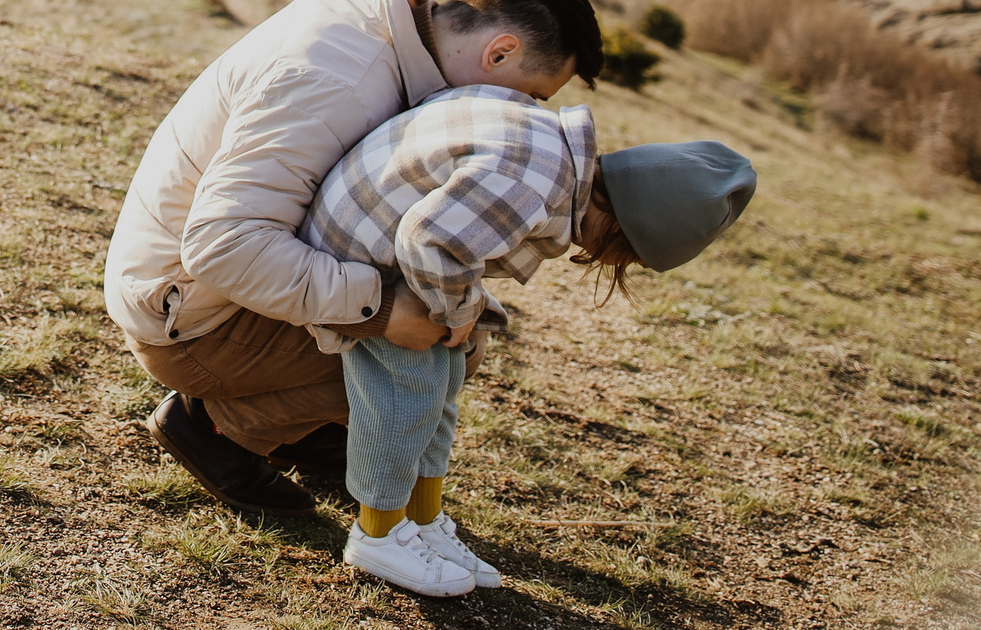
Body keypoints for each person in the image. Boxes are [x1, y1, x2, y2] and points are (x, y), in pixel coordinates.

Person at [103, 0, 604, 514]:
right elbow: (223, 244)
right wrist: (382, 311)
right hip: (189, 316)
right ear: (501, 52)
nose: (523, 113)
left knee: (452, 319)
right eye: (530, 95)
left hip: (195, 285)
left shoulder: (383, 23)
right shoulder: (338, 82)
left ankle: (302, 426)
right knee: (445, 342)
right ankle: (216, 426)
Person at [301, 82, 756, 595]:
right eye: (626, 255)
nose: (608, 262)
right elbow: (427, 236)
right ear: (622, 225)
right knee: (408, 391)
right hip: (357, 259)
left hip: (383, 251)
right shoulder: (532, 185)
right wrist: (458, 309)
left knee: (444, 380)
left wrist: (461, 310)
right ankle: (377, 534)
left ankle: (422, 521)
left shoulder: (551, 152)